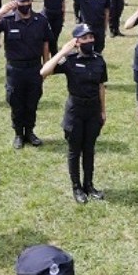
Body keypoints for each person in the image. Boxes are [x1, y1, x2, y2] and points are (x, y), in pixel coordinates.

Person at [41, 24, 108, 203]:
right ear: (77, 42)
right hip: (75, 111)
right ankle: (76, 187)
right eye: (84, 38)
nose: (89, 41)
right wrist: (62, 52)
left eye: (91, 37)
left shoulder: (99, 60)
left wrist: (103, 111)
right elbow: (44, 71)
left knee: (89, 149)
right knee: (74, 150)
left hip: (93, 111)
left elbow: (101, 86)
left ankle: (89, 185)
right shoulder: (69, 60)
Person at [0, 0, 51, 149]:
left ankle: (30, 132)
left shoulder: (40, 20)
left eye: (28, 1)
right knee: (16, 102)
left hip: (34, 68)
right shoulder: (7, 20)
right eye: (21, 2)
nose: (25, 4)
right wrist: (1, 11)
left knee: (32, 102)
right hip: (15, 69)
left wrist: (46, 64)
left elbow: (45, 43)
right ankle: (19, 134)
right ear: (14, 3)